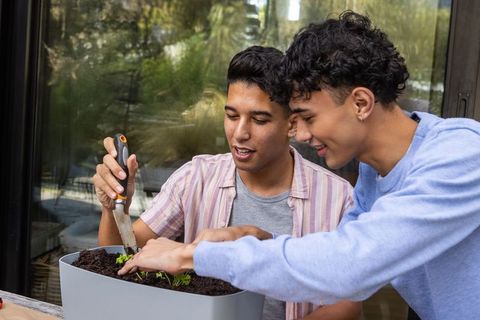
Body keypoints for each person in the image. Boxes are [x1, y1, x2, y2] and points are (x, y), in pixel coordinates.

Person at [118, 11, 480, 320]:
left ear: (360, 103)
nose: (301, 133)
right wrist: (259, 238)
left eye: (307, 117)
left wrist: (191, 254)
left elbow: (349, 266)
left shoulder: (460, 156)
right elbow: (342, 258)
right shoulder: (374, 175)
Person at [93, 45, 360, 320]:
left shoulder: (336, 197)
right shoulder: (195, 177)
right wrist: (112, 207)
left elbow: (348, 302)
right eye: (232, 116)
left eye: (259, 119)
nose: (240, 133)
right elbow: (123, 253)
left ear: (291, 125)